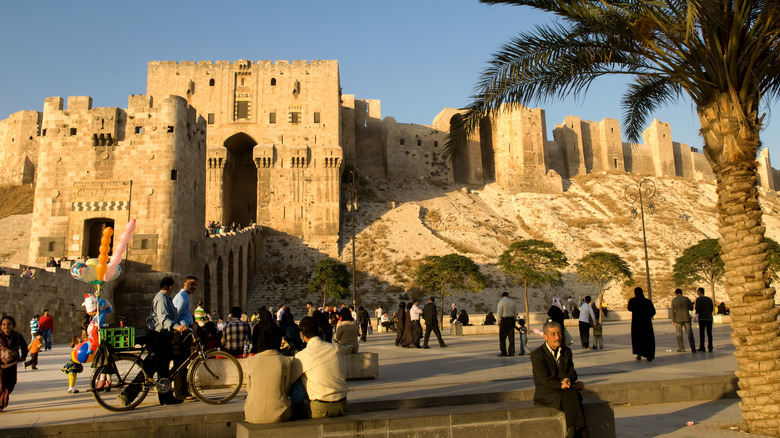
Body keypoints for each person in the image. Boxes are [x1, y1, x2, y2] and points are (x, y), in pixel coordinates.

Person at [530, 321, 589, 438]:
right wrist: (562, 384)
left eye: (559, 333)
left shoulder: (566, 352)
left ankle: (572, 429)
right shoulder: (537, 355)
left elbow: (572, 373)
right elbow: (544, 380)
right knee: (573, 395)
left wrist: (568, 380)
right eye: (553, 334)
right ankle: (577, 430)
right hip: (547, 393)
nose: (558, 337)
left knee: (571, 394)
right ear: (545, 336)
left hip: (564, 391)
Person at [290, 317, 348, 419]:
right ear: (318, 330)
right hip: (342, 404)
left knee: (298, 380)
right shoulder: (335, 348)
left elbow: (290, 381)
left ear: (302, 335)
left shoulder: (302, 355)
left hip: (320, 408)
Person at [244, 315, 293, 424]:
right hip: (280, 414)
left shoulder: (251, 361)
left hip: (252, 414)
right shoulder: (285, 361)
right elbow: (286, 390)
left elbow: (249, 388)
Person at [145, 276, 186, 405]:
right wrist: (177, 326)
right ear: (171, 287)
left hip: (162, 336)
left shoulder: (163, 298)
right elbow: (163, 319)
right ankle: (166, 397)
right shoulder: (162, 298)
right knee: (161, 368)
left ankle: (165, 397)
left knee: (162, 368)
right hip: (159, 337)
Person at [172, 275, 198, 399]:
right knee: (181, 362)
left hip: (184, 330)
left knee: (183, 362)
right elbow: (176, 313)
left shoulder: (184, 296)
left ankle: (182, 391)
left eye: (195, 285)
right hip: (181, 331)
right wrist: (178, 327)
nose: (194, 287)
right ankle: (180, 392)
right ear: (185, 284)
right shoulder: (182, 296)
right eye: (192, 284)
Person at [0, 316, 28, 412]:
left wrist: (23, 356)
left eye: (9, 324)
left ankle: (4, 398)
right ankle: (1, 403)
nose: (6, 326)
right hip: (1, 365)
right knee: (1, 385)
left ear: (13, 325)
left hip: (12, 364)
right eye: (3, 324)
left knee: (11, 384)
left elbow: (24, 346)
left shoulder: (17, 336)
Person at [627, 287, 656, 361]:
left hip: (636, 323)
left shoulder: (632, 301)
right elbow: (653, 312)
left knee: (637, 339)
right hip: (646, 323)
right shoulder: (647, 302)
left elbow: (629, 308)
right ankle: (648, 355)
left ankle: (639, 353)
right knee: (647, 339)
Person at [671, 288, 696, 353]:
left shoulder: (674, 300)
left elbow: (672, 311)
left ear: (676, 293)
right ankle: (693, 347)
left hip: (678, 319)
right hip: (686, 318)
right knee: (689, 333)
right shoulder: (686, 299)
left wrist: (673, 320)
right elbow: (691, 308)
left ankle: (681, 348)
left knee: (679, 334)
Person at [497, 292, 517, 356]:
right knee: (511, 337)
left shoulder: (501, 302)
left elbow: (499, 312)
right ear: (508, 295)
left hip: (504, 320)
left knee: (502, 337)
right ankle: (511, 352)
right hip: (511, 320)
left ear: (502, 296)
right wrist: (515, 320)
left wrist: (498, 321)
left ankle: (503, 352)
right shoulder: (512, 302)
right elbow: (515, 312)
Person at [694, 287, 714, 352]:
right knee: (709, 333)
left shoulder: (698, 299)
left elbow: (697, 309)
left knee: (702, 333)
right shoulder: (709, 299)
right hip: (709, 318)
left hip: (702, 318)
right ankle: (710, 347)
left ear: (699, 292)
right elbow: (712, 309)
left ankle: (702, 347)